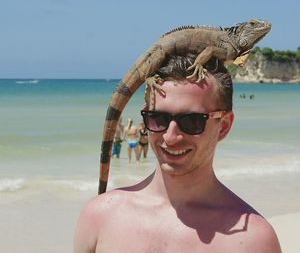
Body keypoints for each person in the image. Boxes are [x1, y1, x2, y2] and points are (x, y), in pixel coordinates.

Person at [74, 55, 281, 252]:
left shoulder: (253, 240)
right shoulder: (100, 216)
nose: (170, 137)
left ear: (224, 126)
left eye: (192, 121)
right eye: (159, 119)